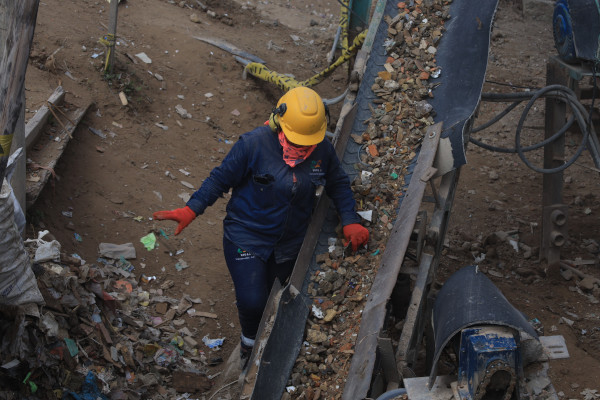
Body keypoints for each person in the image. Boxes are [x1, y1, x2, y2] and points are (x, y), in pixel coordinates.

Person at [153, 86, 369, 368]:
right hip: (246, 235)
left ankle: (270, 343)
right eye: (297, 141)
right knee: (253, 300)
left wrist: (350, 219)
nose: (302, 149)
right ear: (279, 123)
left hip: (290, 242)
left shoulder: (322, 152)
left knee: (277, 297)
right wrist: (191, 209)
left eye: (308, 144)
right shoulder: (252, 145)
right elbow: (219, 180)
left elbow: (338, 184)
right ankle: (248, 345)